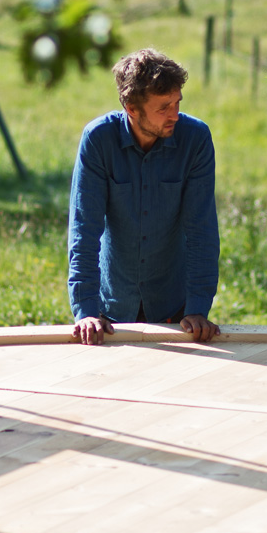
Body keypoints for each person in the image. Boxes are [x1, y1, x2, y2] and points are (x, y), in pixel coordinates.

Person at [67, 48, 221, 345]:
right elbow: (84, 229)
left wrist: (198, 309)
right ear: (131, 108)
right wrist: (85, 311)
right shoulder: (98, 140)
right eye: (163, 108)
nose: (174, 115)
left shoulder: (196, 139)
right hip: (110, 309)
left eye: (177, 103)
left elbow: (201, 230)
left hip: (174, 310)